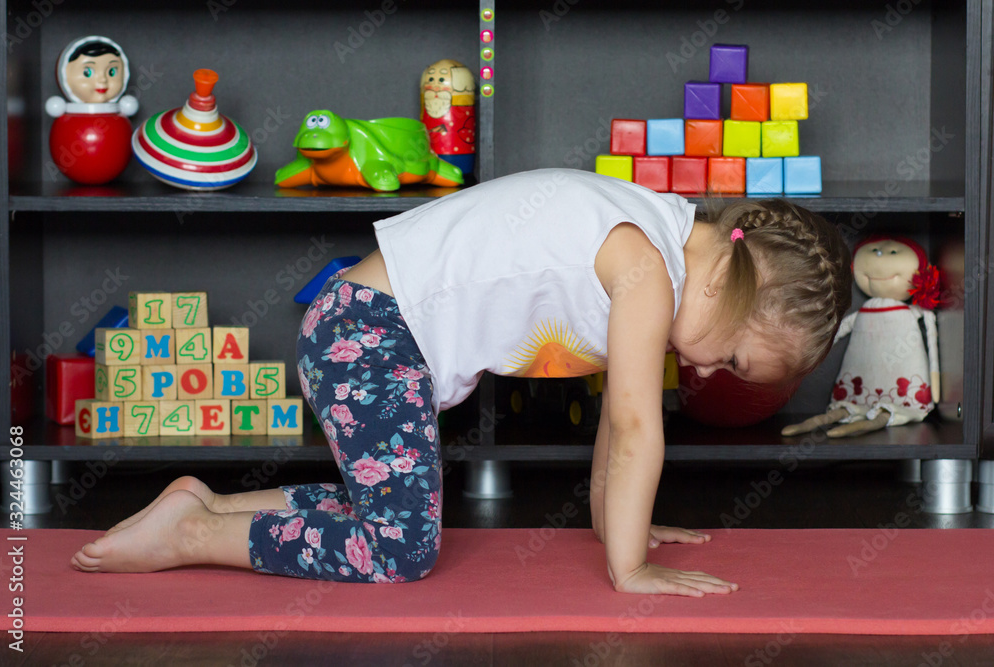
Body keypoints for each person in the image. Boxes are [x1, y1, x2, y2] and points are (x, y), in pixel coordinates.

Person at [71, 168, 852, 596]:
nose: (711, 373)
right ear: (728, 288)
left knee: (388, 501)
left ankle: (208, 502)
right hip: (370, 336)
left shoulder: (658, 232)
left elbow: (618, 420)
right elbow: (641, 426)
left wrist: (621, 525)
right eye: (736, 359)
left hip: (362, 326)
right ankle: (195, 537)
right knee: (402, 550)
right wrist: (631, 570)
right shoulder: (649, 267)